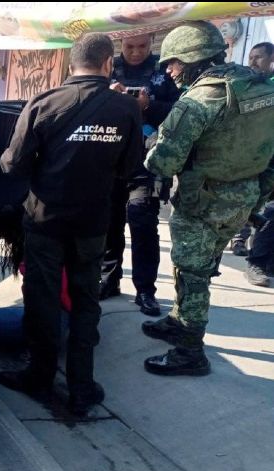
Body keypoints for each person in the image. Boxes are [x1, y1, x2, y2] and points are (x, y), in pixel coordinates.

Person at [0, 33, 142, 417]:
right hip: (92, 222)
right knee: (85, 299)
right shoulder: (126, 108)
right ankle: (81, 387)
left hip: (45, 220)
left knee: (42, 298)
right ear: (108, 63)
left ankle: (39, 376)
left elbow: (13, 164)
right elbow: (130, 167)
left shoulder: (44, 103)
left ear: (70, 63)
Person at [142, 23, 274, 376]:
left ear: (193, 59)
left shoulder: (197, 101)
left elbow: (164, 163)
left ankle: (190, 351)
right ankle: (176, 320)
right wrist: (259, 196)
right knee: (198, 264)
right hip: (244, 196)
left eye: (173, 63)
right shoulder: (262, 87)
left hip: (203, 201)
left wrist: (152, 145)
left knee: (193, 273)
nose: (170, 72)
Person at [99, 33, 181, 317]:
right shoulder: (107, 68)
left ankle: (145, 290)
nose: (135, 52)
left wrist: (148, 107)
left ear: (152, 41)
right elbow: (87, 107)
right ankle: (108, 280)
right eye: (130, 46)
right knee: (109, 223)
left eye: (142, 46)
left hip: (149, 162)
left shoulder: (165, 73)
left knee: (143, 223)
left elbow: (181, 112)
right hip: (111, 160)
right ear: (121, 44)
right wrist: (111, 99)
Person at [230, 42, 274, 259]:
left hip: (269, 153)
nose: (253, 62)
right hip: (249, 151)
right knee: (245, 196)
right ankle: (239, 238)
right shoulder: (245, 83)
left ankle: (259, 248)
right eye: (251, 57)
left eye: (259, 57)